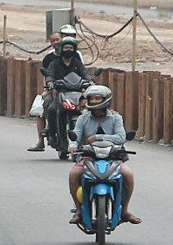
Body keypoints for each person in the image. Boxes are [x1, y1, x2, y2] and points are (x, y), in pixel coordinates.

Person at [66, 86, 139, 225]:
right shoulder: (83, 118)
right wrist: (73, 146)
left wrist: (97, 137)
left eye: (97, 98)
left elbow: (120, 138)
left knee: (128, 174)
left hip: (113, 158)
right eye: (91, 98)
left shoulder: (116, 118)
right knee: (74, 174)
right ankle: (79, 210)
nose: (94, 101)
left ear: (106, 100)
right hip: (88, 157)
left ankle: (124, 210)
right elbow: (76, 135)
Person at [34, 32, 96, 152]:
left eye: (71, 48)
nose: (68, 50)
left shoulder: (77, 62)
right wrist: (50, 83)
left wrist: (91, 81)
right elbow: (49, 75)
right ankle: (52, 133)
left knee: (88, 108)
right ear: (62, 48)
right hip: (58, 93)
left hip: (76, 93)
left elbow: (85, 73)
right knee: (52, 109)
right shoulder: (54, 62)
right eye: (66, 47)